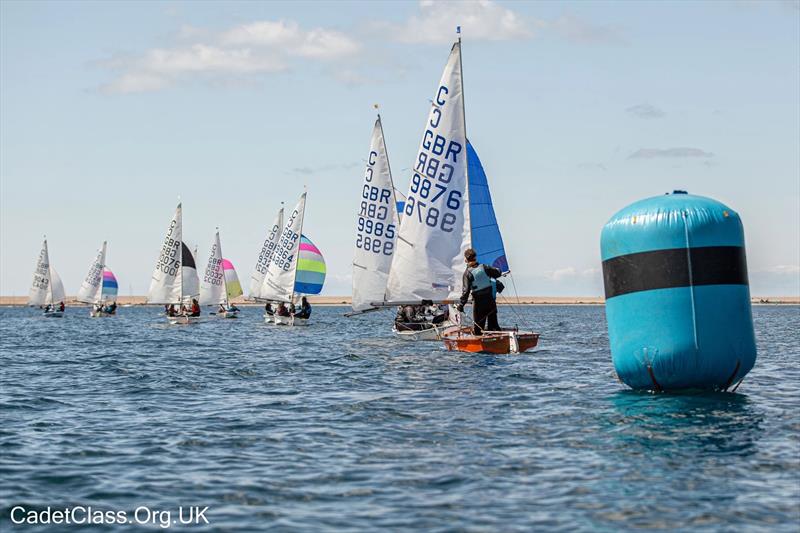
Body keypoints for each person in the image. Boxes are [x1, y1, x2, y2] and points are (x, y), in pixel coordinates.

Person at [458, 248, 502, 335]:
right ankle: (498, 343)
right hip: (490, 301)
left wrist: (461, 305)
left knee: (478, 329)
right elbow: (498, 273)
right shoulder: (484, 267)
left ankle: (481, 344)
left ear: (466, 260)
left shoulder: (467, 274)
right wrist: (498, 271)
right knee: (493, 327)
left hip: (479, 303)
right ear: (475, 258)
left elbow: (466, 291)